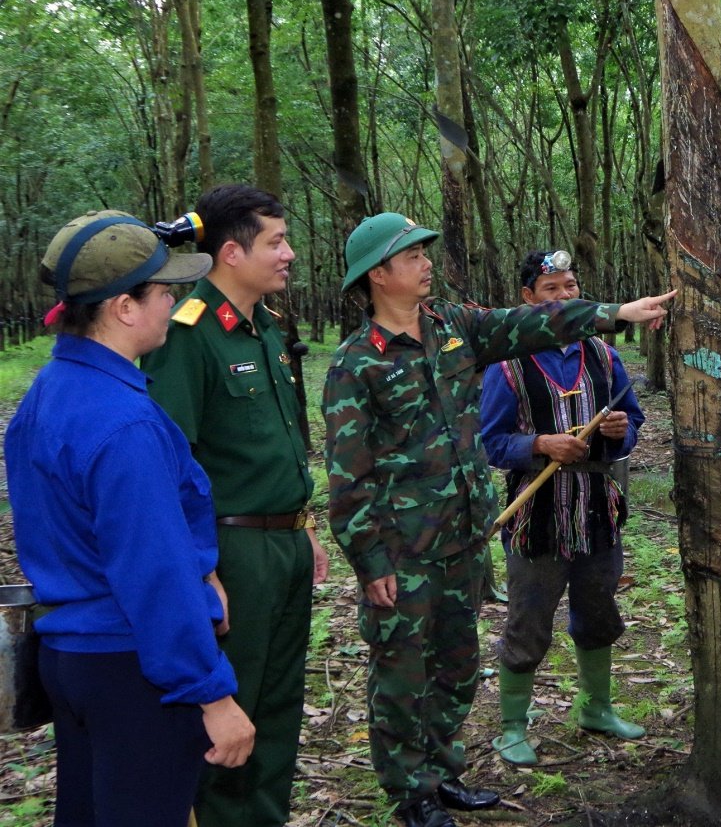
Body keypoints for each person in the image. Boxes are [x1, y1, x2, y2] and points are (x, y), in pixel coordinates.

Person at [323, 215, 673, 827]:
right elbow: (348, 478)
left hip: (462, 536)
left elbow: (528, 323)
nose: (427, 262)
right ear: (379, 275)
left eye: (427, 251)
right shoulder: (358, 364)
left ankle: (442, 772)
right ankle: (412, 795)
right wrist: (369, 561)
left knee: (455, 664)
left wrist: (614, 312)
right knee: (403, 675)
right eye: (412, 256)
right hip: (402, 550)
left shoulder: (452, 328)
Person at [7, 211, 255, 826]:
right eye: (164, 292)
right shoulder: (125, 426)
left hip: (71, 659)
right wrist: (212, 693)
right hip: (135, 670)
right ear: (123, 307)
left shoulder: (47, 393)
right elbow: (154, 577)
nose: (173, 304)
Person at [141, 184, 328, 827]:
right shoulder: (189, 334)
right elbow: (168, 464)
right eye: (275, 242)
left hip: (283, 543)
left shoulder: (266, 330)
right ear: (229, 252)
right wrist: (201, 568)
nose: (289, 254)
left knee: (278, 705)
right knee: (232, 712)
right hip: (232, 552)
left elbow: (272, 445)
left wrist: (302, 526)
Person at [480, 249, 649, 765]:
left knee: (599, 610)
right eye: (551, 290)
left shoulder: (603, 354)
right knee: (529, 618)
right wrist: (540, 446)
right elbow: (490, 442)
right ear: (527, 299)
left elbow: (633, 425)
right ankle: (512, 726)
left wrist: (621, 432)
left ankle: (597, 707)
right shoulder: (507, 365)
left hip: (598, 506)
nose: (563, 298)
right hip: (538, 514)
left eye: (571, 288)